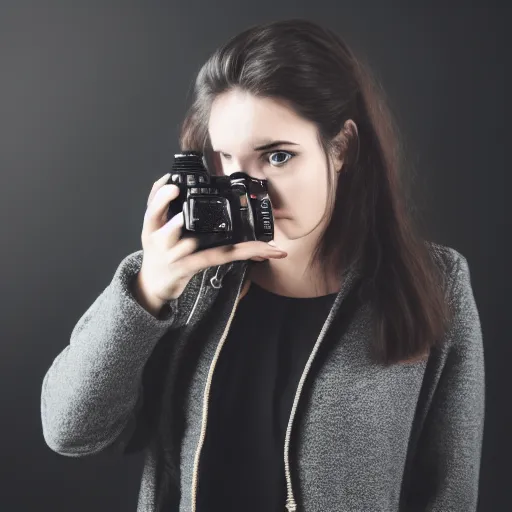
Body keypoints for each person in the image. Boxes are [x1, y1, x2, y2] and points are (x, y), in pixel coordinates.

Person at [40, 18, 485, 512]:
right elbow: (70, 431)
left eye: (276, 157)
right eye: (227, 158)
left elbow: (449, 491)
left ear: (342, 148)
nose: (245, 189)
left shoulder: (434, 283)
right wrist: (147, 292)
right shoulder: (181, 278)